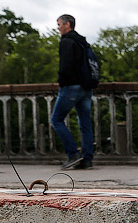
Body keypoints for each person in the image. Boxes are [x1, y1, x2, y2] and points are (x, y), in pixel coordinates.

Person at [51, 14, 94, 170]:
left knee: (56, 120)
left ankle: (73, 154)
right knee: (85, 124)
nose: (58, 28)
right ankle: (87, 159)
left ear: (67, 24)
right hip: (86, 88)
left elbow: (65, 66)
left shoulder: (67, 41)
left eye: (59, 24)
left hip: (71, 87)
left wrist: (62, 83)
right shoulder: (83, 41)